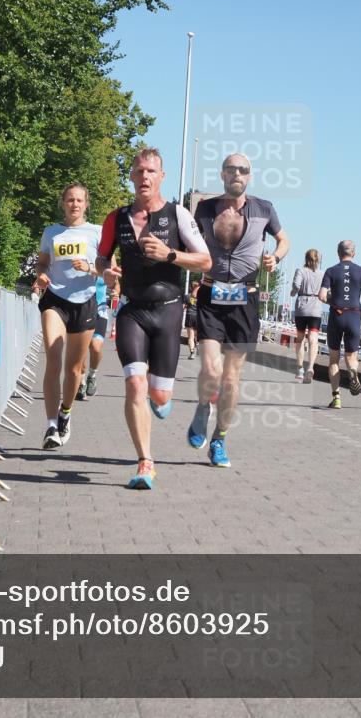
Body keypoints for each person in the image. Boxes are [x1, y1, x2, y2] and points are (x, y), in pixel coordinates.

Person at [96, 148, 211, 490]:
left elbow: (205, 262)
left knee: (159, 396)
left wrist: (170, 254)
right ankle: (145, 461)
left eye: (151, 171)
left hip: (169, 309)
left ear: (161, 177)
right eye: (139, 170)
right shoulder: (116, 218)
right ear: (131, 176)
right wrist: (107, 272)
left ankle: (159, 399)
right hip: (132, 309)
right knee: (134, 383)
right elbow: (101, 258)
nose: (144, 176)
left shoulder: (177, 214)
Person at [186, 153, 290, 468]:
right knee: (211, 370)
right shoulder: (204, 208)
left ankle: (219, 439)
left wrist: (276, 256)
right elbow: (186, 239)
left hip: (246, 298)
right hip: (210, 293)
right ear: (222, 174)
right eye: (231, 168)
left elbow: (284, 239)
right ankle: (204, 407)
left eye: (243, 170)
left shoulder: (264, 209)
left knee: (231, 379)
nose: (237, 173)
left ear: (250, 176)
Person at [33, 184, 102, 448]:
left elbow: (110, 269)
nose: (74, 204)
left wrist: (90, 268)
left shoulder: (97, 232)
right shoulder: (51, 232)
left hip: (83, 303)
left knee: (74, 369)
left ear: (86, 204)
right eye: (70, 200)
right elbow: (42, 261)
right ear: (62, 203)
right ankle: (51, 426)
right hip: (55, 301)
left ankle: (65, 412)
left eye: (79, 200)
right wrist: (40, 273)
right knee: (53, 356)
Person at [319, 240, 361, 409]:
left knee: (334, 359)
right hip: (354, 316)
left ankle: (336, 398)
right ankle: (353, 371)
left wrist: (334, 300)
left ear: (338, 253)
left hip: (337, 315)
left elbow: (321, 296)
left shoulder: (331, 271)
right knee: (351, 357)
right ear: (354, 253)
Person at [76, 274, 118, 400]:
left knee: (96, 347)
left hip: (100, 311)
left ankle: (92, 376)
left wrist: (116, 291)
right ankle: (81, 383)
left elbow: (116, 282)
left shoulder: (104, 263)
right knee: (82, 350)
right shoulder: (81, 262)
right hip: (81, 311)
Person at [291, 249, 323, 383]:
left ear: (306, 258)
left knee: (300, 338)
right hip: (316, 308)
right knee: (313, 339)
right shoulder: (322, 274)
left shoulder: (300, 270)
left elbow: (296, 286)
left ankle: (299, 369)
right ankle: (310, 367)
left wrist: (293, 292)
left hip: (302, 308)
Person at [184, 279, 200, 359]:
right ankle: (198, 346)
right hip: (198, 317)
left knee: (191, 336)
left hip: (190, 316)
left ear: (191, 287)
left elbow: (183, 307)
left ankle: (192, 352)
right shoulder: (201, 297)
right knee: (197, 334)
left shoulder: (187, 296)